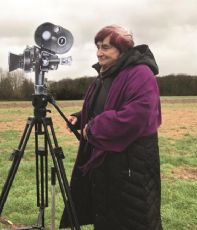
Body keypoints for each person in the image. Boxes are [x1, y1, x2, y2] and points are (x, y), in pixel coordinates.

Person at [60, 25, 162, 230]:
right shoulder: (107, 73)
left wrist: (94, 128)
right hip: (106, 162)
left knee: (133, 219)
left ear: (122, 49)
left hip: (132, 164)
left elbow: (137, 114)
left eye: (105, 47)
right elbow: (106, 104)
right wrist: (81, 118)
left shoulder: (140, 73)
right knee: (106, 216)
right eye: (98, 46)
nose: (99, 52)